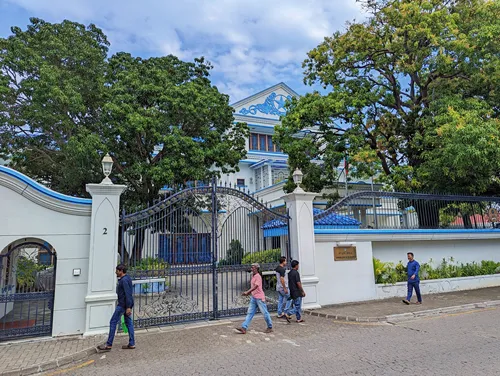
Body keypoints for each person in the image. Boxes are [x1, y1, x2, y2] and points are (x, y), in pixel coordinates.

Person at [98, 264, 135, 351]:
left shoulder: (124, 281)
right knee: (129, 323)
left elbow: (128, 294)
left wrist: (128, 307)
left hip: (122, 306)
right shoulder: (127, 278)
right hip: (126, 305)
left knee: (113, 322)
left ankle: (109, 344)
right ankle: (132, 343)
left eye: (117, 271)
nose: (115, 272)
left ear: (121, 271)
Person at [235, 263, 273, 334]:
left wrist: (248, 292)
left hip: (259, 298)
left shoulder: (258, 276)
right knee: (250, 313)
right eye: (251, 267)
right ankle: (244, 327)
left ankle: (270, 326)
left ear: (257, 268)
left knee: (264, 313)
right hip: (254, 297)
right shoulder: (253, 276)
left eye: (253, 267)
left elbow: (256, 286)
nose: (252, 269)